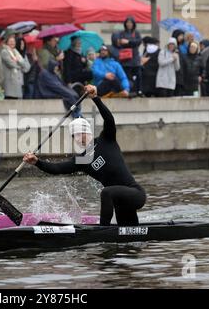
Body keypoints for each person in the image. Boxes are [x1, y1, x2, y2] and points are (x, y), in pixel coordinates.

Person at [24, 85, 146, 226]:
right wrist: (37, 162)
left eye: (75, 134)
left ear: (85, 130)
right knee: (129, 236)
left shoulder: (106, 139)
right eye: (72, 136)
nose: (75, 138)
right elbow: (56, 169)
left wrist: (95, 98)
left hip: (135, 194)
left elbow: (109, 120)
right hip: (119, 202)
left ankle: (102, 230)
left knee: (106, 192)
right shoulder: (82, 160)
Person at [112, 17, 143, 96]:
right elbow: (116, 41)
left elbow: (138, 42)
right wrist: (119, 41)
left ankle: (138, 90)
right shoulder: (121, 33)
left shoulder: (136, 33)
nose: (129, 24)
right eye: (127, 23)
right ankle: (129, 90)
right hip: (125, 59)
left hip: (135, 58)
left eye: (131, 23)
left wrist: (128, 42)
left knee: (138, 74)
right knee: (127, 76)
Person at [171, 30, 185, 96]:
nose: (182, 38)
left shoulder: (180, 48)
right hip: (174, 76)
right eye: (181, 36)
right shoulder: (173, 48)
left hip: (180, 76)